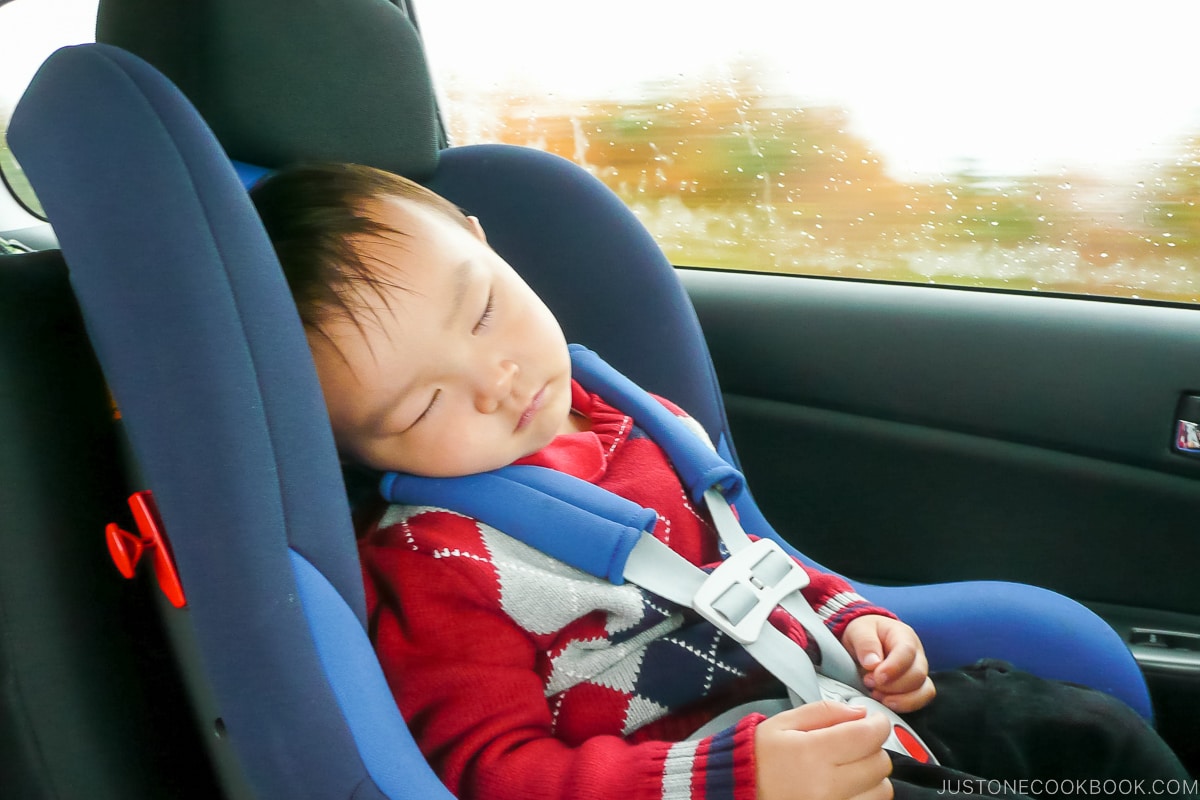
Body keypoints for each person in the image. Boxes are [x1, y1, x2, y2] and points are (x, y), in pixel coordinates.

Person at [249, 162, 1193, 800]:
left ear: (480, 236)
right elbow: (494, 772)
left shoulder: (639, 416)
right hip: (718, 777)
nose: (494, 381)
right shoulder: (439, 561)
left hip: (845, 706)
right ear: (350, 446)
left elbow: (759, 561)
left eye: (484, 309)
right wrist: (731, 778)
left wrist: (853, 619)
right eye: (422, 408)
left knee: (1087, 737)